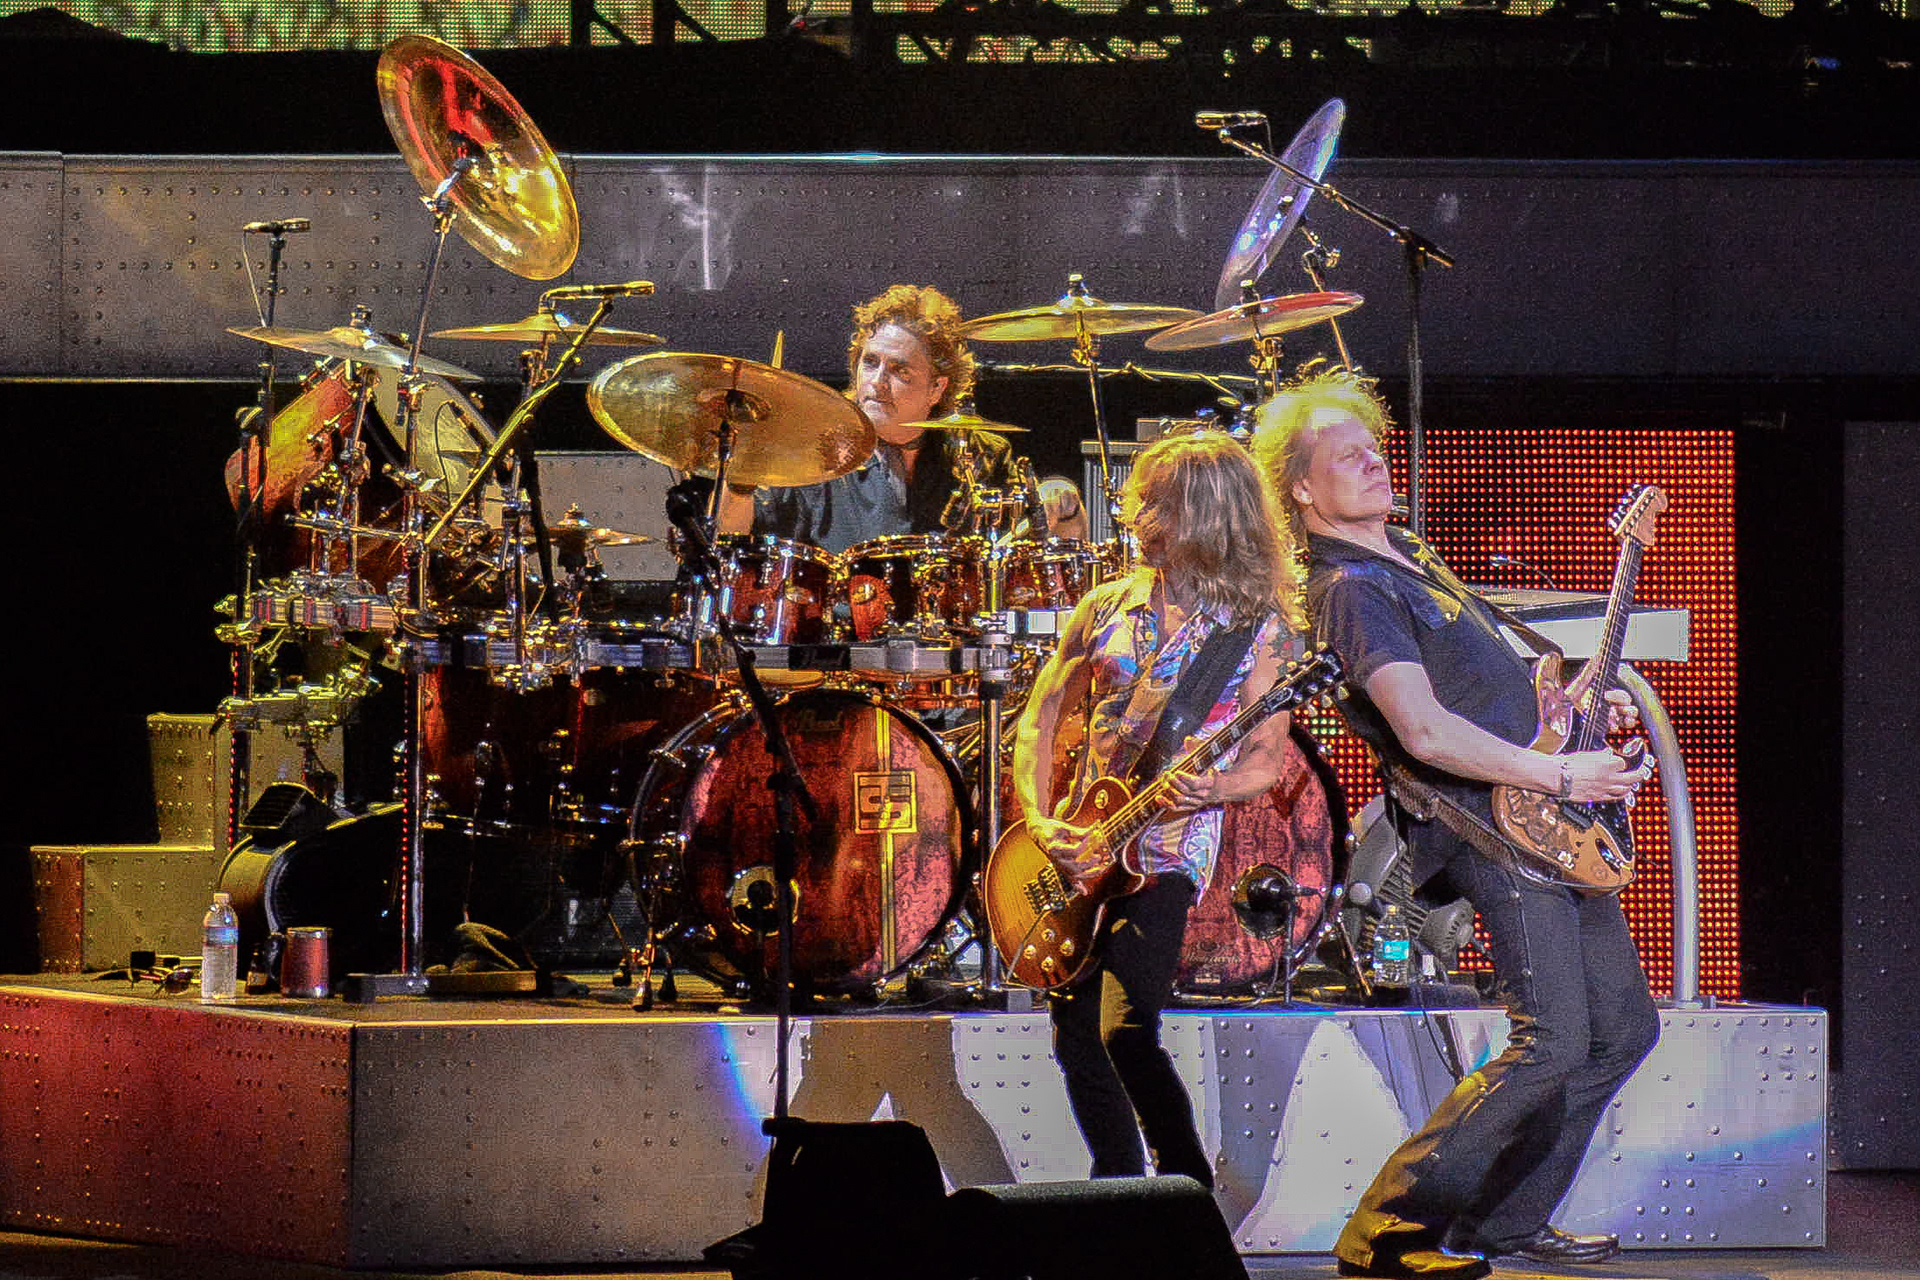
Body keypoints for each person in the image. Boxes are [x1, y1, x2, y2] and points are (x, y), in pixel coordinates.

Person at [1252, 369, 1660, 1280]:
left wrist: (1575, 721)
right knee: (1552, 1039)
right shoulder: (1349, 587)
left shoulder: (1408, 552)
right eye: (1346, 456)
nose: (1374, 461)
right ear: (1302, 490)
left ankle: (1504, 1220)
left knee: (1623, 1030)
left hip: (1546, 819)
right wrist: (1560, 770)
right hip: (1485, 824)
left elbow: (1492, 693)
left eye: (1374, 446)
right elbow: (1425, 730)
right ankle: (1385, 1230)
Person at [1011, 430, 1305, 1188]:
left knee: (1126, 1027)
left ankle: (1187, 1190)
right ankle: (1116, 1187)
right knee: (1074, 1032)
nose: (1131, 516)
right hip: (1082, 838)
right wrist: (1039, 820)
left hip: (1169, 847)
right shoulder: (1105, 605)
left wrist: (1216, 789)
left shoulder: (1257, 628)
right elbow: (1041, 718)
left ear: (1201, 514)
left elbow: (1265, 760)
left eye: (1150, 504)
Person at [719, 283, 1085, 550]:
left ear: (937, 388)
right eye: (870, 362)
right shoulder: (811, 448)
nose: (877, 382)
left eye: (900, 370)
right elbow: (731, 540)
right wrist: (739, 479)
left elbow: (1053, 552)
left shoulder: (980, 455)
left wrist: (1062, 500)